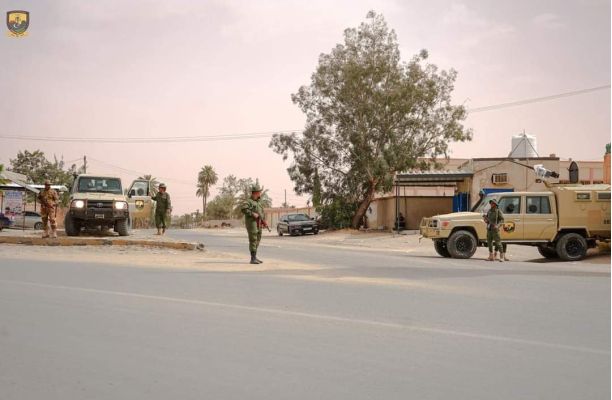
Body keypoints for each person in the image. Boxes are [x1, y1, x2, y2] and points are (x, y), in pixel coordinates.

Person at [241, 184, 268, 264]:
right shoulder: (248, 201)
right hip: (252, 223)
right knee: (253, 239)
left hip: (259, 223)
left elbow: (261, 213)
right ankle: (252, 259)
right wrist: (252, 213)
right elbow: (243, 209)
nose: (260, 193)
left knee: (258, 239)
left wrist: (264, 222)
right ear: (255, 193)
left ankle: (255, 257)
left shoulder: (259, 202)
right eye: (259, 192)